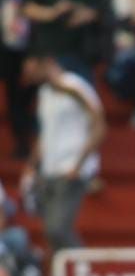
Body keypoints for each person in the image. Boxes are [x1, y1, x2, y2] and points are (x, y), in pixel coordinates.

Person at [20, 52, 104, 251]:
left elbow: (99, 125)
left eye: (34, 71)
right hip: (50, 169)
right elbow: (46, 133)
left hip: (71, 168)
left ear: (47, 63)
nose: (31, 78)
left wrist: (80, 164)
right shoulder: (44, 94)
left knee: (58, 229)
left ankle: (83, 273)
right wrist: (32, 165)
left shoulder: (76, 86)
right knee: (51, 232)